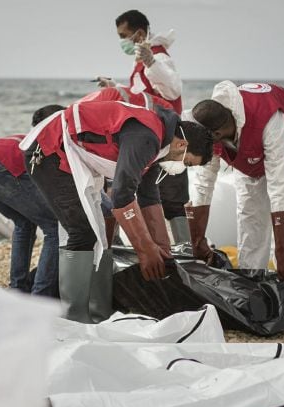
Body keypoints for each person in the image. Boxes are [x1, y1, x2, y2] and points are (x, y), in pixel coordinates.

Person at [21, 100, 213, 323]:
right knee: (82, 232)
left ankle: (99, 314)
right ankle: (74, 320)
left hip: (73, 156)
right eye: (187, 163)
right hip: (48, 151)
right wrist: (144, 249)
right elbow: (121, 194)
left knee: (104, 232)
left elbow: (148, 195)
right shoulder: (148, 137)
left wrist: (161, 248)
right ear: (182, 145)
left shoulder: (159, 144)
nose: (181, 168)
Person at [186, 81, 284, 280]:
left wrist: (283, 252)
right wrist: (197, 240)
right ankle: (251, 276)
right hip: (245, 141)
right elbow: (203, 183)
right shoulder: (210, 128)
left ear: (217, 134)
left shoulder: (269, 121)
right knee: (250, 209)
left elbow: (281, 186)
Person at [96, 10, 191, 244]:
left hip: (165, 134)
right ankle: (158, 248)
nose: (121, 41)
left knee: (171, 197)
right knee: (145, 190)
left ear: (138, 34)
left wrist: (151, 61)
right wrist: (114, 86)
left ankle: (183, 250)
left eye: (123, 35)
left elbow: (173, 89)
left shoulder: (159, 57)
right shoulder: (141, 60)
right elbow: (142, 95)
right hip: (149, 135)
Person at [0, 104, 63, 297]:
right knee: (54, 226)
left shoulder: (23, 137)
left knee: (24, 222)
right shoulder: (50, 140)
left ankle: (18, 289)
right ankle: (41, 296)